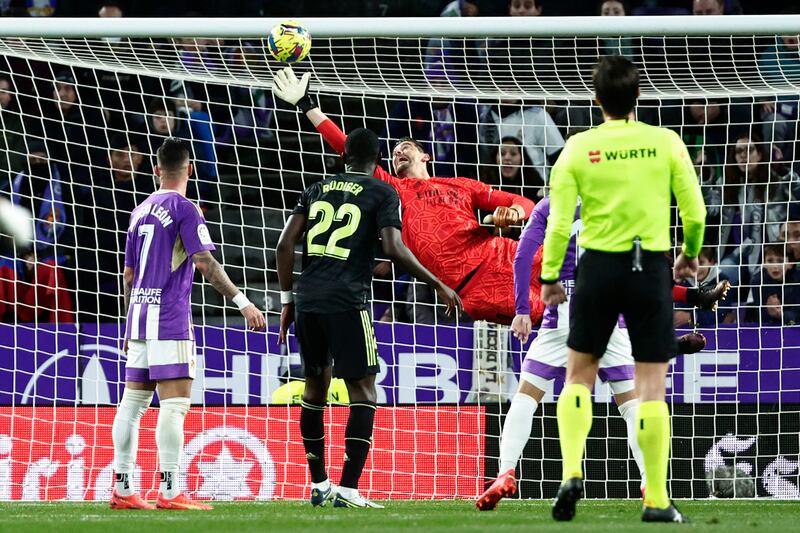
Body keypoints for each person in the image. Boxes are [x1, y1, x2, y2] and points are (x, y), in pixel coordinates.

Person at [476, 196, 725, 511]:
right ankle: (650, 481)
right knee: (633, 404)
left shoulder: (550, 205)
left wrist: (523, 310)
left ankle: (505, 472)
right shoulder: (620, 203)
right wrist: (692, 296)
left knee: (527, 396)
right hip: (608, 311)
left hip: (561, 312)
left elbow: (523, 255)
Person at [540, 56, 705, 523]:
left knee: (578, 376)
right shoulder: (665, 142)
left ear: (596, 101)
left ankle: (573, 470)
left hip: (596, 269)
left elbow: (557, 223)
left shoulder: (577, 147)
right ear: (637, 98)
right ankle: (656, 498)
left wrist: (551, 276)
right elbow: (694, 212)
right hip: (649, 268)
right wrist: (689, 253)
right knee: (650, 387)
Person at [276, 128, 461, 508]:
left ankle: (319, 483)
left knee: (315, 388)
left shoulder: (316, 188)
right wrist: (438, 283)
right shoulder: (383, 191)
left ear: (344, 158)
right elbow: (394, 248)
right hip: (347, 299)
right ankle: (348, 488)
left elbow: (283, 244)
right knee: (363, 389)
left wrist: (287, 301)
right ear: (377, 162)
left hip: (308, 298)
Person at [272, 66, 541, 326]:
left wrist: (515, 213)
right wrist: (306, 105)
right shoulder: (391, 189)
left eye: (406, 147)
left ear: (426, 156)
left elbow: (524, 202)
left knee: (577, 274)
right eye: (395, 151)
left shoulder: (460, 184)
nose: (398, 152)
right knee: (559, 317)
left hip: (510, 254)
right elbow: (347, 146)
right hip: (477, 287)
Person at [109, 138, 265, 511]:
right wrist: (243, 303)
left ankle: (124, 487)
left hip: (140, 317)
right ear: (190, 169)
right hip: (170, 317)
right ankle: (169, 491)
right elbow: (205, 263)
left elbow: (129, 274)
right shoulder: (186, 209)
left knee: (132, 404)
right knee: (174, 406)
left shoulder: (140, 209)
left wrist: (131, 322)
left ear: (156, 170)